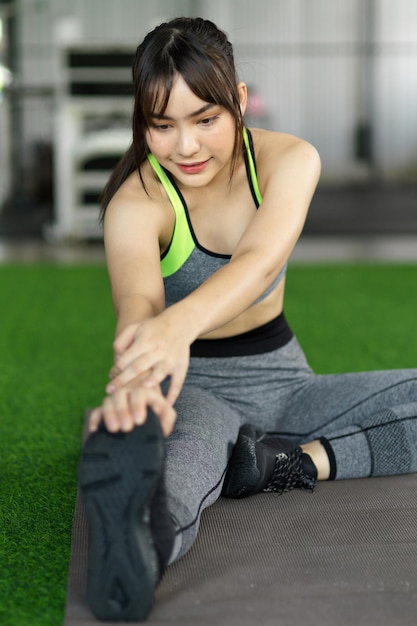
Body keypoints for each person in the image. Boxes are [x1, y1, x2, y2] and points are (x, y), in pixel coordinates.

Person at [77, 16, 417, 622]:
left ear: (238, 100)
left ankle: (289, 463)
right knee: (181, 472)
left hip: (287, 386)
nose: (185, 146)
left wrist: (178, 325)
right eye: (161, 125)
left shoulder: (290, 159)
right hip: (193, 388)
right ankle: (137, 555)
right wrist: (135, 385)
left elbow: (260, 263)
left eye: (205, 120)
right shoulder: (137, 199)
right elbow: (140, 307)